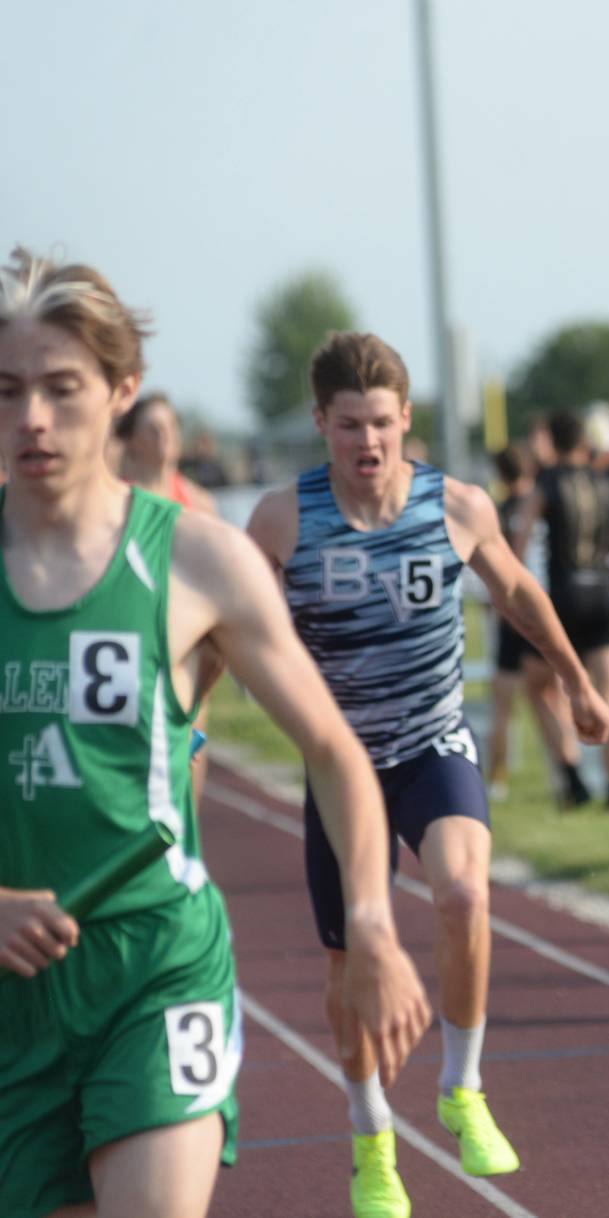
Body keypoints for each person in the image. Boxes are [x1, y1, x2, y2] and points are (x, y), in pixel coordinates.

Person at [0, 249, 430, 1218]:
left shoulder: (197, 560)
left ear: (122, 390)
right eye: (7, 389)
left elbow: (331, 750)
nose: (31, 418)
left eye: (61, 389)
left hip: (155, 965)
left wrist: (368, 920)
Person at [246, 332, 609, 1217]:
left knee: (464, 897)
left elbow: (519, 592)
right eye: (347, 427)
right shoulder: (284, 519)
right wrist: (184, 720)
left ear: (406, 419)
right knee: (347, 968)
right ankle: (372, 1139)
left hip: (431, 744)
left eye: (380, 424)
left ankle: (463, 1088)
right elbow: (233, 625)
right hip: (341, 766)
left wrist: (576, 680)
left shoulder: (454, 505)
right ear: (321, 425)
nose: (366, 443)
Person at [514, 409, 609, 809]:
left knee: (540, 687)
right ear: (585, 442)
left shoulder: (547, 482)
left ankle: (571, 770)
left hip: (563, 596)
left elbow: (520, 538)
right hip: (604, 594)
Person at [114, 393, 222, 802]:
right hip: (133, 650)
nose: (167, 438)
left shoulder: (199, 503)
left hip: (188, 653)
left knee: (190, 759)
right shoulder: (117, 502)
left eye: (172, 428)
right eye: (154, 429)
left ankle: (184, 849)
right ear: (135, 440)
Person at [487, 443, 591, 808]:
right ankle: (565, 772)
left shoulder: (495, 512)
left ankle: (497, 781)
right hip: (542, 606)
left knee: (502, 703)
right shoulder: (543, 502)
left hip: (510, 608)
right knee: (553, 695)